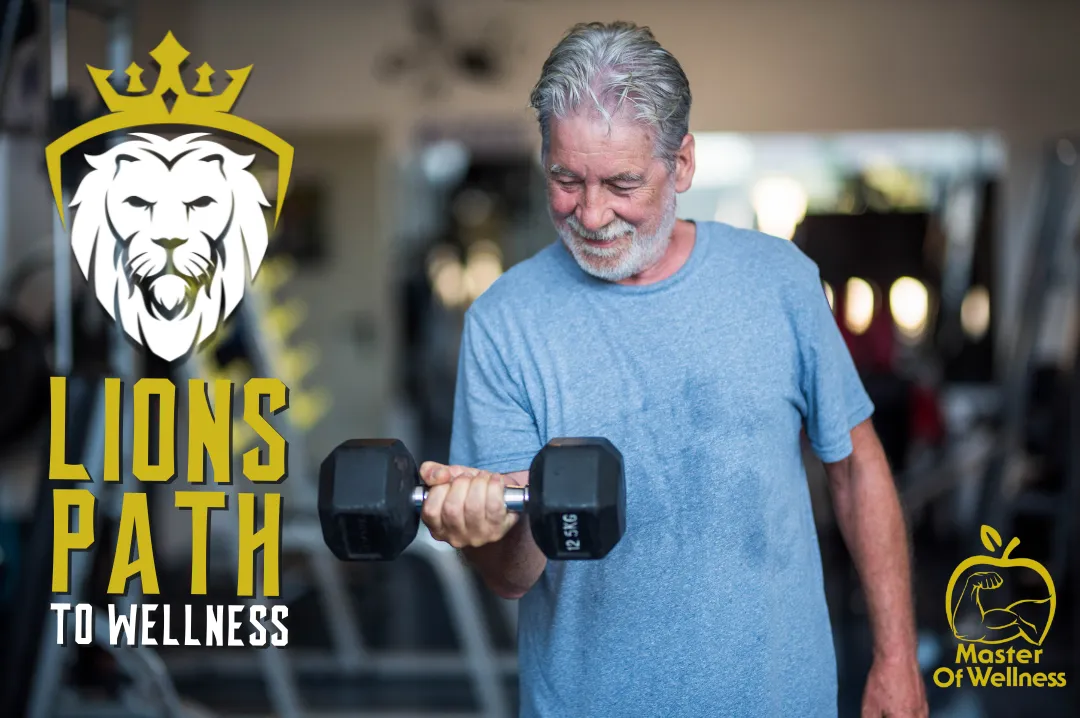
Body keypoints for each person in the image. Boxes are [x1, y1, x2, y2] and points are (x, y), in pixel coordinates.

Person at [418, 21, 929, 718]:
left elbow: (856, 467)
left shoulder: (778, 281)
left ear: (682, 164)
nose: (591, 213)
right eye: (566, 179)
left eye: (622, 183)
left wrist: (896, 656)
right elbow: (514, 576)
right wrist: (485, 528)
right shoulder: (505, 322)